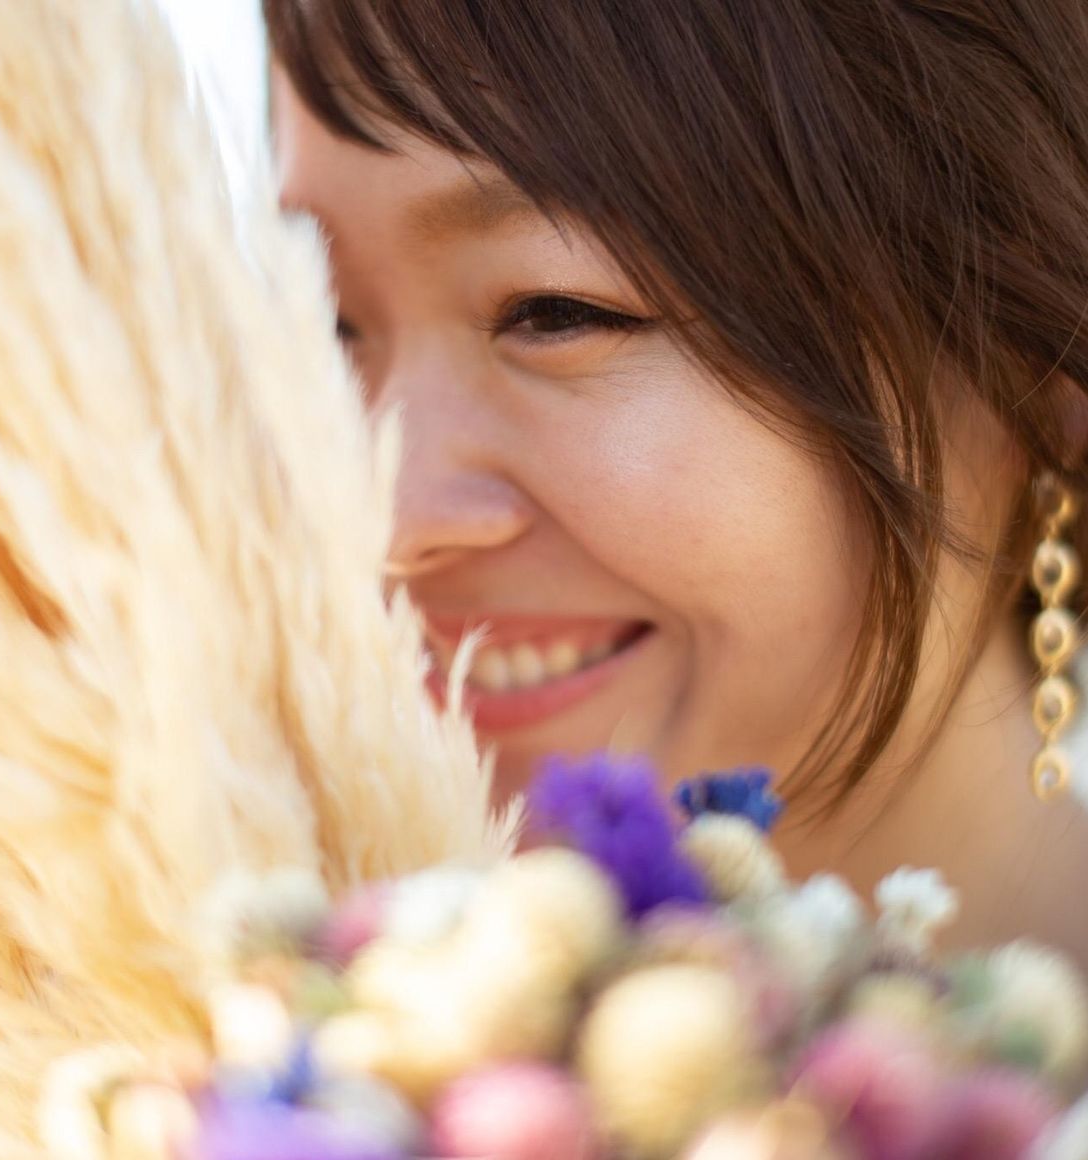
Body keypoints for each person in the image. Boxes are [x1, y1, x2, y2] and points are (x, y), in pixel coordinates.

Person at [262, 0, 1088, 961]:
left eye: (554, 311)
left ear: (1036, 370)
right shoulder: (232, 1011)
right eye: (324, 321)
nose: (386, 521)